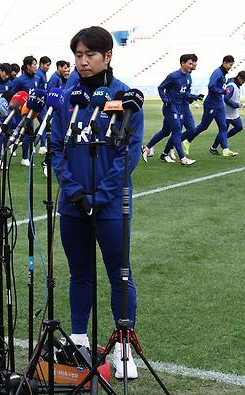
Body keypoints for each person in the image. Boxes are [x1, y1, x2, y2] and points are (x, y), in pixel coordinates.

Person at [50, 26, 142, 379]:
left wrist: (100, 197)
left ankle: (123, 346)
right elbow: (56, 149)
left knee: (120, 274)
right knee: (79, 273)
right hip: (73, 205)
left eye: (90, 54)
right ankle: (78, 340)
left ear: (108, 57)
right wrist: (73, 191)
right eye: (78, 55)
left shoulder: (125, 98)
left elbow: (128, 155)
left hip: (111, 206)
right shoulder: (63, 97)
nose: (83, 61)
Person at [141, 54, 199, 166]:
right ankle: (183, 158)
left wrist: (194, 97)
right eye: (190, 63)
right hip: (170, 108)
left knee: (166, 131)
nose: (192, 66)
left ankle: (147, 148)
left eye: (193, 63)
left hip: (181, 107)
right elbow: (160, 87)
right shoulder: (173, 76)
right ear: (183, 63)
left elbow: (185, 94)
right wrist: (165, 99)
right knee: (177, 130)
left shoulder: (188, 77)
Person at [182, 55, 238, 157]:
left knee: (223, 127)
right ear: (225, 63)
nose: (230, 67)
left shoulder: (223, 74)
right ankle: (184, 141)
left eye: (232, 65)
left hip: (219, 104)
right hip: (211, 104)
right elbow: (211, 86)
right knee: (203, 126)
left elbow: (221, 85)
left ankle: (225, 150)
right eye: (230, 64)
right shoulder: (217, 72)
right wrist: (222, 91)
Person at [10, 55, 40, 166]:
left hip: (31, 110)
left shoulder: (37, 78)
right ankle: (8, 146)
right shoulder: (19, 80)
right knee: (19, 131)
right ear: (28, 66)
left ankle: (25, 158)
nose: (36, 66)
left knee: (29, 132)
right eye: (34, 64)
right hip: (20, 111)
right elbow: (12, 95)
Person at [211, 70, 245, 153]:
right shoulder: (231, 86)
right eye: (243, 80)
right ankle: (213, 148)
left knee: (239, 127)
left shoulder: (236, 85)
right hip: (226, 114)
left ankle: (222, 140)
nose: (243, 82)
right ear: (239, 78)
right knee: (223, 131)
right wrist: (236, 105)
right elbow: (226, 98)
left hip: (234, 113)